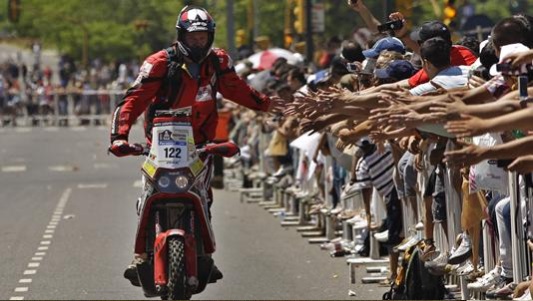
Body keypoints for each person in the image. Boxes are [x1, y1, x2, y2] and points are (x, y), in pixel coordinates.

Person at [107, 5, 285, 287]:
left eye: (203, 37)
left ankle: (204, 254)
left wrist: (269, 106)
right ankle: (140, 256)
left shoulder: (218, 62)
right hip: (161, 143)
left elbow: (237, 89)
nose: (198, 42)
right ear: (181, 36)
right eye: (193, 37)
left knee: (203, 194)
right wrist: (119, 136)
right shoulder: (159, 63)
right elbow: (133, 100)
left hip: (200, 143)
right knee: (150, 192)